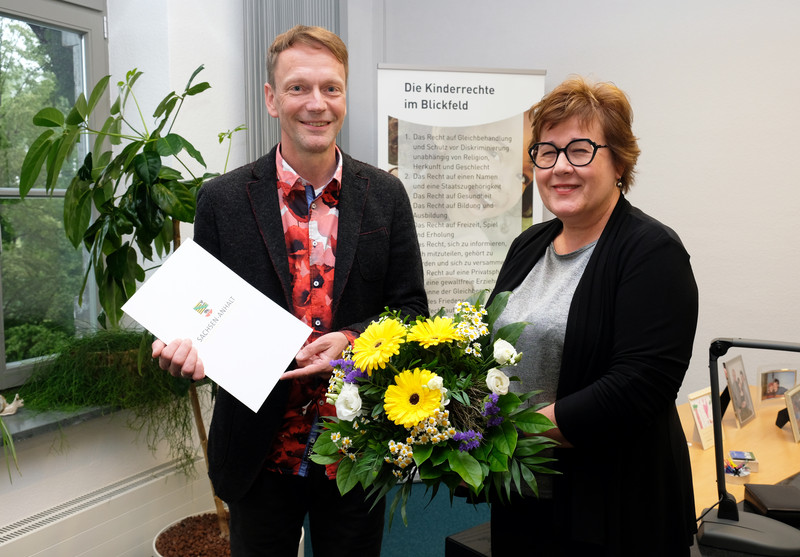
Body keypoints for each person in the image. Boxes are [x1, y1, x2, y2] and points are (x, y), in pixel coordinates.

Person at [152, 25, 428, 557]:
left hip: (356, 450)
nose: (317, 104)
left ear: (345, 96)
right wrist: (181, 346)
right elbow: (194, 313)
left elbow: (411, 310)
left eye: (331, 88)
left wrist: (351, 339)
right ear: (272, 99)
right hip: (258, 456)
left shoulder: (386, 196)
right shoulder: (223, 200)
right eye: (299, 88)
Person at [488, 76, 698, 556]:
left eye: (580, 150)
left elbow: (638, 387)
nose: (560, 168)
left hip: (613, 510)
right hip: (522, 495)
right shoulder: (529, 245)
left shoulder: (652, 252)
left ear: (620, 161)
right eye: (546, 152)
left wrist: (513, 432)